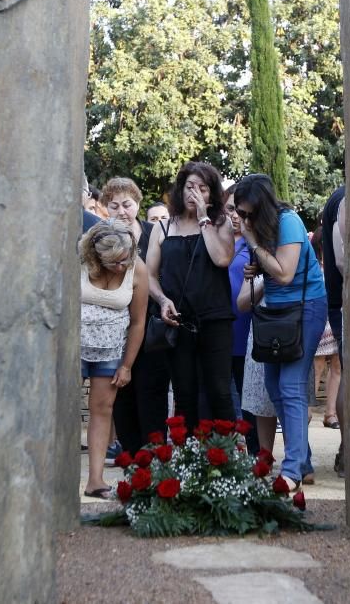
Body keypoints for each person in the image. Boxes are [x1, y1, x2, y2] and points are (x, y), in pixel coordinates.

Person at [234, 173, 327, 491]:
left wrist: (256, 247)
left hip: (306, 308)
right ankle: (298, 463)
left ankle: (292, 470)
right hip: (275, 313)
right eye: (240, 213)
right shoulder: (259, 228)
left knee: (290, 385)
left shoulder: (287, 221)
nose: (244, 220)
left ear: (263, 206)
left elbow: (286, 274)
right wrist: (257, 266)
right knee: (274, 385)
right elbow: (268, 277)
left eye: (248, 213)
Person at [147, 162, 236, 430]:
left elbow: (222, 258)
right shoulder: (162, 228)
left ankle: (229, 459)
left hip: (215, 319)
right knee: (184, 394)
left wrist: (202, 218)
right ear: (179, 190)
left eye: (202, 189)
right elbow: (150, 275)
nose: (194, 193)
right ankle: (187, 460)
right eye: (189, 187)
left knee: (219, 391)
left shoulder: (222, 224)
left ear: (212, 195)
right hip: (178, 321)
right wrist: (162, 300)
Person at [102, 178, 171, 455]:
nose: (121, 211)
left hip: (152, 328)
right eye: (114, 205)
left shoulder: (154, 232)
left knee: (152, 392)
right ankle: (130, 455)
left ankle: (155, 455)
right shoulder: (101, 238)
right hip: (116, 329)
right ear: (106, 207)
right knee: (122, 396)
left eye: (127, 204)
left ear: (138, 204)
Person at [80, 220, 149, 498]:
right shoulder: (79, 261)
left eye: (126, 260)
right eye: (115, 262)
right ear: (97, 256)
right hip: (75, 345)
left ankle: (95, 480)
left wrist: (127, 365)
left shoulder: (137, 268)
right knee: (60, 410)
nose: (122, 266)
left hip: (109, 349)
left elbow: (138, 322)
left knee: (103, 409)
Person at [226, 185, 260, 454]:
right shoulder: (217, 242)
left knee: (250, 400)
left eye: (239, 211)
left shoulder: (256, 242)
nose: (235, 216)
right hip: (223, 331)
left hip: (249, 329)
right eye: (229, 209)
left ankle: (258, 456)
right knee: (226, 399)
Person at [321, 184, 346, 476]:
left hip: (340, 302)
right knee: (349, 374)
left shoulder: (339, 197)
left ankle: (347, 450)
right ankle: (347, 449)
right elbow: (343, 260)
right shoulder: (346, 198)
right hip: (347, 303)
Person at [237, 276, 278, 454]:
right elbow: (242, 303)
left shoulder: (295, 252)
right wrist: (264, 282)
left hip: (292, 331)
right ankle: (264, 457)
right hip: (262, 335)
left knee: (291, 395)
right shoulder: (255, 265)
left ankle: (301, 458)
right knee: (261, 400)